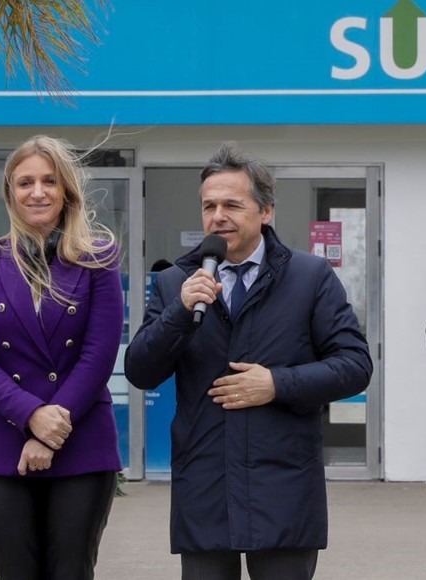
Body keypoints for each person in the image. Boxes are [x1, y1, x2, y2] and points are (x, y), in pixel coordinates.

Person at [124, 142, 373, 580]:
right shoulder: (175, 282)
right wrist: (179, 312)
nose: (218, 216)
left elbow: (355, 365)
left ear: (266, 211)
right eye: (209, 206)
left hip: (283, 488)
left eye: (232, 205)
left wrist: (277, 384)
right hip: (205, 485)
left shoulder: (310, 277)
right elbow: (141, 371)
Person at [0, 135, 123, 580]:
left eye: (49, 181)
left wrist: (51, 432)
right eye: (25, 182)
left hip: (81, 441)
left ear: (66, 190)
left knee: (71, 571)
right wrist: (31, 417)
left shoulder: (98, 260)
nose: (37, 192)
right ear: (10, 192)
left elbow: (98, 355)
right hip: (4, 442)